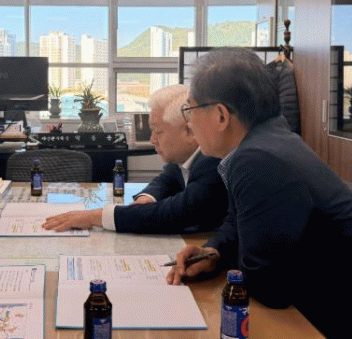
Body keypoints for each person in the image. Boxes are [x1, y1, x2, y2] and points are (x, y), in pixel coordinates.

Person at [166, 47, 352, 339]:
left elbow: (268, 285)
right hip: (347, 317)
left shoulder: (258, 160)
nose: (189, 121)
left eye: (190, 109)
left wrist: (232, 261)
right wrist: (214, 252)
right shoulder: (267, 141)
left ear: (221, 116)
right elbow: (236, 223)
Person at [42, 85, 227, 234]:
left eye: (158, 131)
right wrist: (145, 199)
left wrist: (95, 217)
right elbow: (166, 180)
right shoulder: (185, 158)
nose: (152, 140)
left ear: (190, 131)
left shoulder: (214, 164)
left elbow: (172, 214)